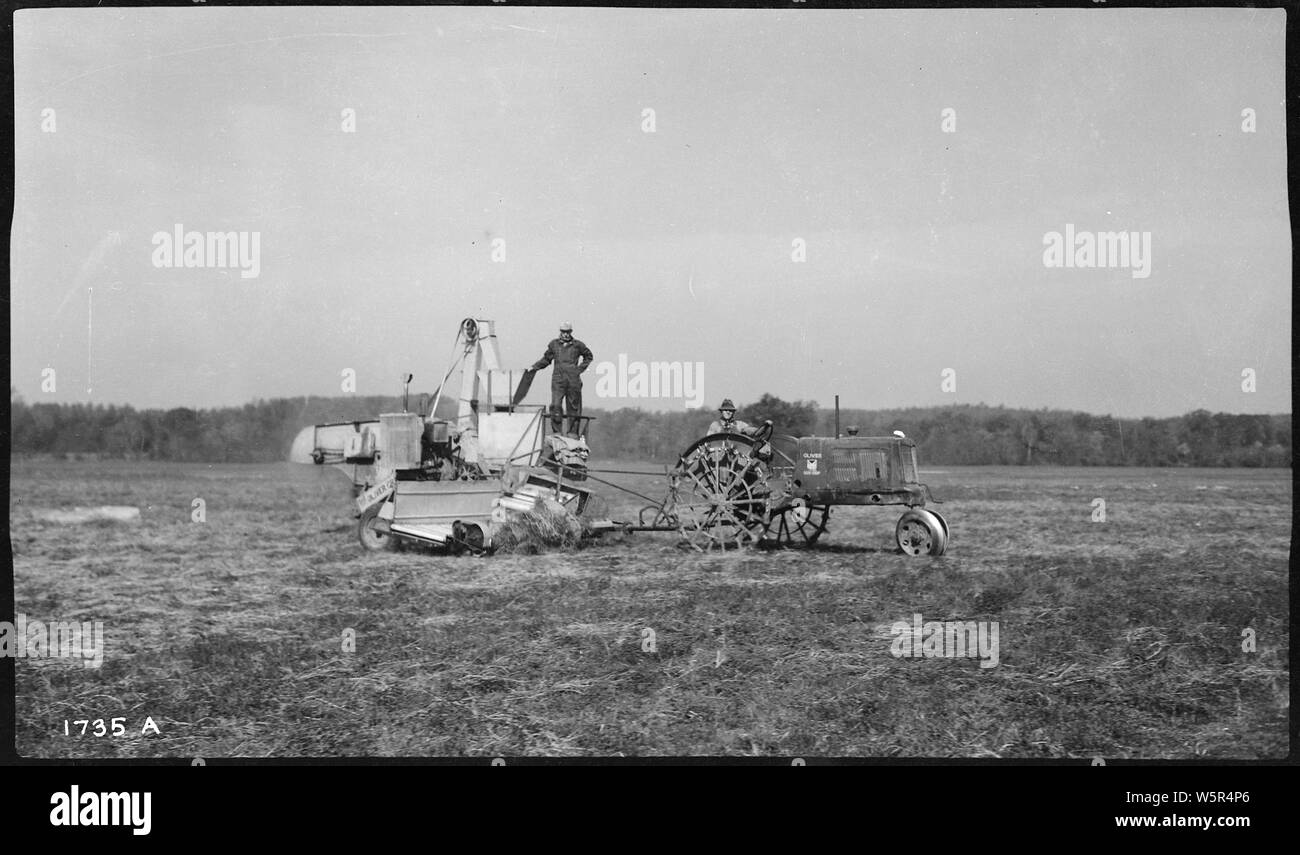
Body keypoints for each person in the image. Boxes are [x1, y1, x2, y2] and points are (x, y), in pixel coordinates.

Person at [531, 322, 594, 436]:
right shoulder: (554, 345)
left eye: (568, 332)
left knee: (573, 406)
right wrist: (534, 367)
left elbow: (589, 356)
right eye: (563, 332)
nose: (565, 335)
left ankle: (572, 432)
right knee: (555, 405)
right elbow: (546, 359)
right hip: (558, 379)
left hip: (573, 379)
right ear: (560, 332)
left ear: (571, 332)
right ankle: (557, 432)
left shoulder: (578, 345)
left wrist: (579, 369)